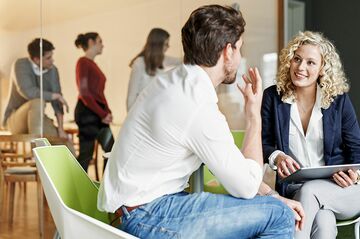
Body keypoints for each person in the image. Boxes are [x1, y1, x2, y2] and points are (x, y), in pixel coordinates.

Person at [98, 5, 304, 238]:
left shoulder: (175, 82)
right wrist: (253, 115)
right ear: (228, 51)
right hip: (146, 215)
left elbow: (236, 169)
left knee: (272, 208)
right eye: (239, 49)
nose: (240, 57)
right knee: (279, 216)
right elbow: (245, 187)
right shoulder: (196, 104)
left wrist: (272, 197)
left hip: (137, 208)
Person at [261, 31, 360, 239]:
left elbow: (357, 150)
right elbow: (265, 143)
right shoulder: (272, 97)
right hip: (295, 188)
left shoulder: (338, 101)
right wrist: (276, 156)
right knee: (323, 222)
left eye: (310, 62)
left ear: (322, 68)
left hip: (343, 190)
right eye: (297, 59)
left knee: (310, 192)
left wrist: (355, 174)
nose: (301, 67)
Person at [3, 38, 69, 138]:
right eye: (48, 58)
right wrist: (54, 95)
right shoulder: (20, 65)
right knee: (38, 102)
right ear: (36, 59)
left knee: (62, 141)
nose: (52, 60)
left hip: (37, 119)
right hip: (14, 120)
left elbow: (57, 102)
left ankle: (69, 152)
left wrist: (61, 129)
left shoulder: (53, 70)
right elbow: (28, 92)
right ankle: (37, 150)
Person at [74, 32, 114, 172]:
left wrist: (107, 112)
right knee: (86, 154)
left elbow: (99, 93)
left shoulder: (92, 64)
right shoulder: (83, 62)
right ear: (91, 42)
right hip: (87, 113)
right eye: (100, 41)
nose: (102, 44)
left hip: (98, 114)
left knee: (111, 151)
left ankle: (104, 189)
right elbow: (84, 93)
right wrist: (103, 113)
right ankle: (74, 191)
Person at [126, 28, 181, 111]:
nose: (168, 47)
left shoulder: (162, 60)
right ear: (158, 45)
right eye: (166, 44)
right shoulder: (139, 63)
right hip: (141, 112)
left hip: (156, 111)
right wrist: (130, 117)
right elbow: (131, 96)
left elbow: (182, 61)